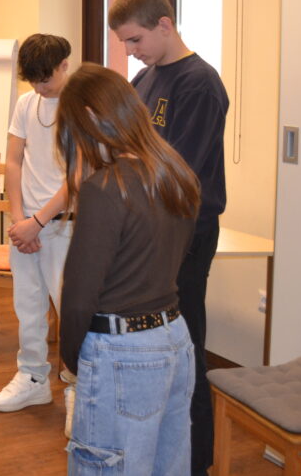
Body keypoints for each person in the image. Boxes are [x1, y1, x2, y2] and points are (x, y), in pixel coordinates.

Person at [109, 0, 229, 475]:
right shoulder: (145, 80)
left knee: (186, 346)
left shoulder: (199, 84)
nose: (130, 52)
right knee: (156, 346)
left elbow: (179, 173)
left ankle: (195, 462)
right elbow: (127, 150)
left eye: (134, 40)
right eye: (124, 43)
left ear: (164, 24)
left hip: (186, 234)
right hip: (150, 231)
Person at [56, 63, 199, 475]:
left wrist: (72, 359)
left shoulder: (105, 188)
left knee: (106, 466)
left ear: (90, 119)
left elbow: (79, 295)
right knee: (168, 466)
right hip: (175, 338)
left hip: (122, 351)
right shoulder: (177, 174)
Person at [0, 35, 75, 429]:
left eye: (46, 78)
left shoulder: (82, 106)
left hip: (64, 226)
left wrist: (37, 222)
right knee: (27, 307)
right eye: (33, 80)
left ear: (64, 65)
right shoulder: (26, 104)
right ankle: (33, 378)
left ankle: (76, 387)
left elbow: (78, 176)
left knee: (70, 310)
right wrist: (19, 220)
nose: (40, 87)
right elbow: (14, 161)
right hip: (26, 225)